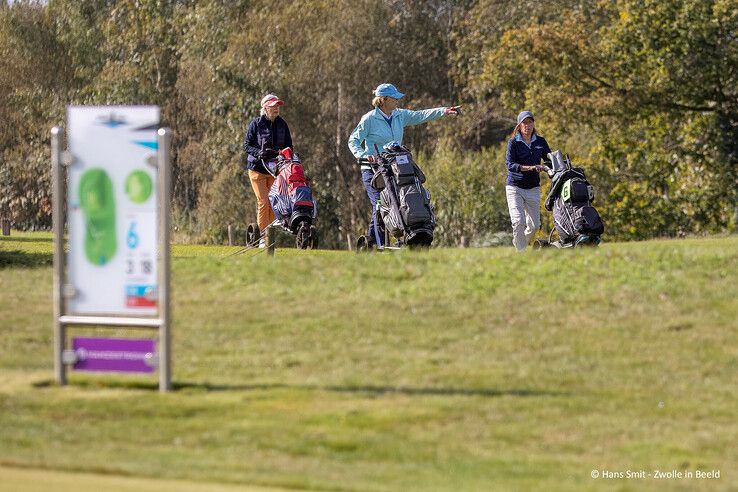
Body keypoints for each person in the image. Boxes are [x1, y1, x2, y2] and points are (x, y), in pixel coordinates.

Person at [348, 83, 460, 245]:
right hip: (373, 170)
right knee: (380, 204)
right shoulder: (369, 119)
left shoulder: (399, 115)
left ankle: (403, 236)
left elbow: (421, 115)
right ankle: (375, 242)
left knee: (400, 201)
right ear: (384, 100)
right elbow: (353, 140)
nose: (397, 100)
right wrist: (364, 156)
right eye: (394, 98)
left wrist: (444, 111)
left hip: (393, 169)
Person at [243, 94, 293, 247]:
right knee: (263, 202)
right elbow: (246, 145)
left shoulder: (282, 124)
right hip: (257, 169)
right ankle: (262, 239)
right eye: (273, 106)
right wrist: (259, 153)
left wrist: (287, 156)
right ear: (265, 108)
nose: (276, 108)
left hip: (275, 170)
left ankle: (267, 237)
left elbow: (289, 146)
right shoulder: (256, 124)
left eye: (278, 106)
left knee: (273, 203)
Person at [505, 110, 551, 251]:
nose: (527, 126)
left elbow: (549, 160)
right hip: (515, 187)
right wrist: (530, 168)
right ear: (519, 125)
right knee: (519, 222)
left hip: (533, 187)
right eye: (524, 123)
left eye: (530, 122)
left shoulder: (540, 141)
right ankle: (521, 253)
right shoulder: (513, 143)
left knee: (535, 225)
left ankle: (520, 243)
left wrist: (550, 168)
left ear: (533, 124)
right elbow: (510, 165)